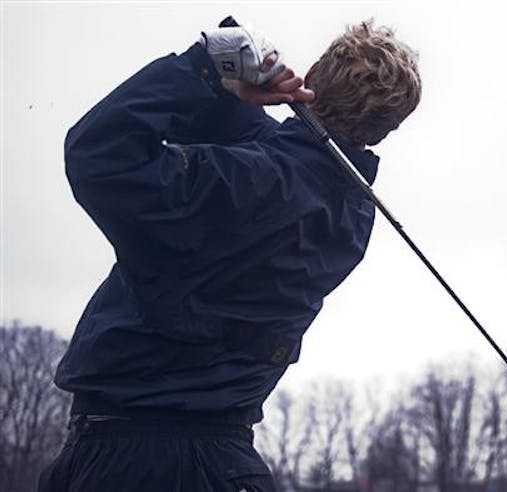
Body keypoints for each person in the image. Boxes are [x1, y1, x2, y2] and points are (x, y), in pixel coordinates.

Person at [39, 19, 420, 491]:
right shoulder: (349, 214)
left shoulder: (252, 184)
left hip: (140, 462)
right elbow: (274, 158)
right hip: (221, 460)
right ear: (385, 131)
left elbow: (101, 153)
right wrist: (228, 94)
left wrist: (204, 68)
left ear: (315, 73)